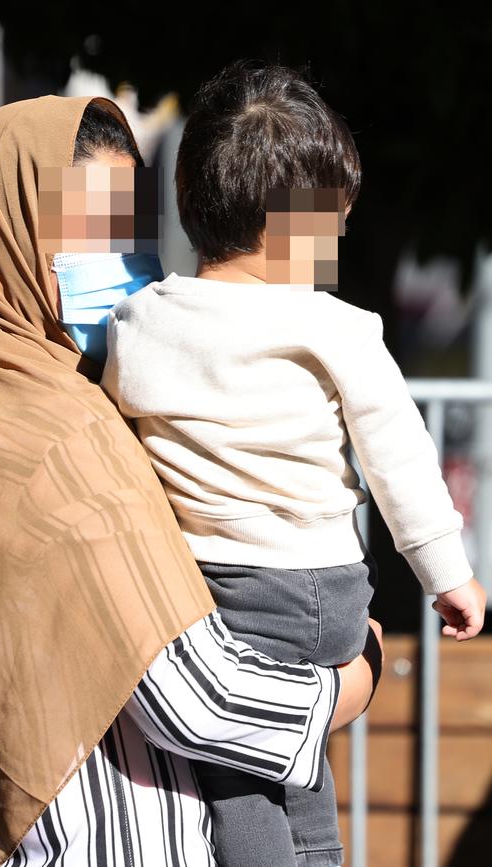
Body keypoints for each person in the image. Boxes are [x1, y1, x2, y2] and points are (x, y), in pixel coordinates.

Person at [0, 94, 381, 867]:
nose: (129, 267)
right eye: (94, 238)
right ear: (6, 241)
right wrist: (357, 678)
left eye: (132, 233)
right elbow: (201, 700)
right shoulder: (60, 437)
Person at [101, 60, 487, 867]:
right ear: (296, 227)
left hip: (206, 589)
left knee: (245, 767)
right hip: (319, 584)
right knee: (294, 757)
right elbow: (399, 456)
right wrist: (448, 573)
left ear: (185, 201)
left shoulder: (139, 321)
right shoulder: (337, 326)